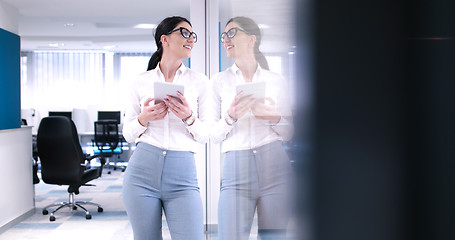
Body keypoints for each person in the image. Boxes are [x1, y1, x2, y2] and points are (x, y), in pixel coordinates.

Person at [122, 16, 209, 240]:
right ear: (165, 39)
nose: (191, 39)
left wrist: (188, 117)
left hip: (182, 177)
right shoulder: (140, 81)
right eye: (184, 33)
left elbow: (206, 134)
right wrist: (143, 118)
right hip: (141, 174)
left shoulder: (200, 82)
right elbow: (128, 134)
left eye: (193, 35)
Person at [211, 16, 294, 240]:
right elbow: (213, 135)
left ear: (251, 39)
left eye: (232, 33)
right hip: (236, 169)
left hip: (275, 168)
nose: (225, 40)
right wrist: (231, 116)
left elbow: (288, 133)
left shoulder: (276, 80)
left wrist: (273, 117)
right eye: (223, 36)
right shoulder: (218, 82)